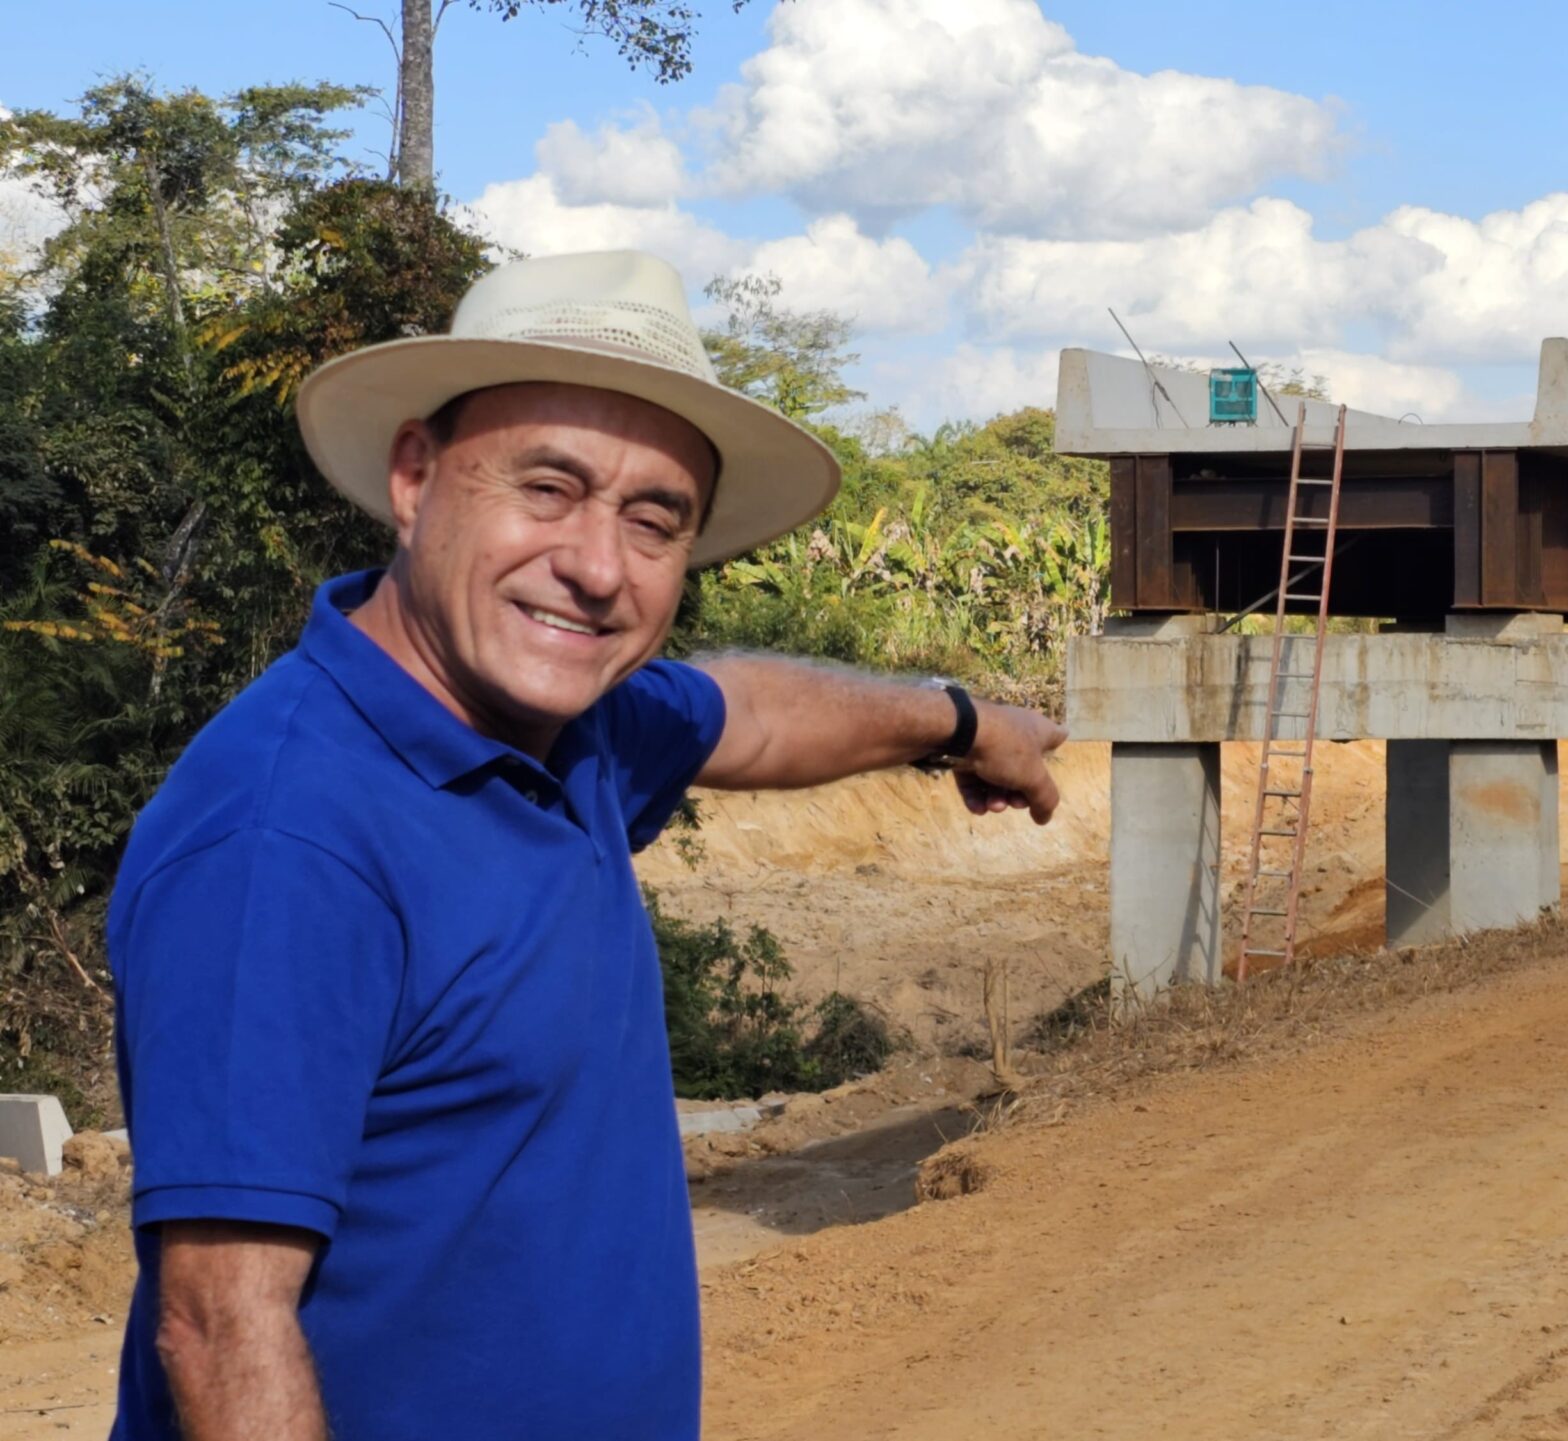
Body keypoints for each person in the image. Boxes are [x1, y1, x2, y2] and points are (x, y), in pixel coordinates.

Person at [104, 249, 1068, 1441]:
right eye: (546, 489)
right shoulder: (288, 838)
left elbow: (750, 711)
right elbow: (220, 1325)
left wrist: (966, 724)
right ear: (415, 479)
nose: (598, 567)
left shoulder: (579, 730)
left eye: (653, 520)